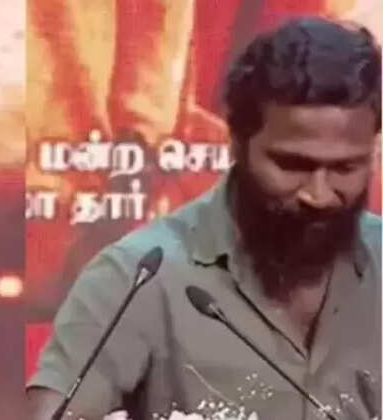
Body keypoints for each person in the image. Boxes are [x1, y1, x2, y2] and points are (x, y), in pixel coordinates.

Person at [27, 17, 381, 420]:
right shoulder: (136, 279)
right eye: (291, 166)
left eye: (345, 168)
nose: (318, 195)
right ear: (236, 145)